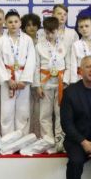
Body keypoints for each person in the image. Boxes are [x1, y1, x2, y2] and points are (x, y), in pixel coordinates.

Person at [0, 10, 36, 135]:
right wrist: (7, 79)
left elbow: (31, 60)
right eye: (10, 22)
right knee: (6, 111)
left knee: (23, 111)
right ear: (5, 23)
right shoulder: (1, 40)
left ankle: (21, 139)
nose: (13, 24)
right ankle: (7, 139)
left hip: (23, 78)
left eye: (16, 21)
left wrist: (25, 80)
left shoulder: (27, 40)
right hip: (8, 78)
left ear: (20, 23)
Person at [34, 16, 67, 145]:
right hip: (45, 81)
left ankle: (60, 140)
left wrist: (66, 81)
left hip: (60, 82)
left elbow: (68, 64)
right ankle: (47, 140)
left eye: (53, 32)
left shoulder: (64, 45)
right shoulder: (39, 46)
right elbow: (36, 67)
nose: (50, 35)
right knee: (45, 113)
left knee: (60, 112)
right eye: (47, 33)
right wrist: (38, 85)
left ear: (58, 29)